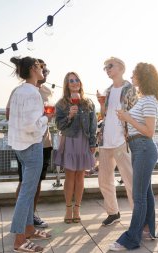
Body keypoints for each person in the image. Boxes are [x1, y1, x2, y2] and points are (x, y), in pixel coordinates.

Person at [110, 62, 158, 251]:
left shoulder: (149, 100)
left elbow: (149, 131)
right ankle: (147, 230)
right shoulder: (143, 99)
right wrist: (126, 123)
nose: (132, 76)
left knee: (138, 196)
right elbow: (138, 127)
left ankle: (131, 239)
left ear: (142, 77)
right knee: (145, 193)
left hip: (144, 149)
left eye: (134, 73)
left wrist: (128, 118)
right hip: (138, 147)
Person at [8, 56, 53, 253]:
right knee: (26, 195)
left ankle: (28, 229)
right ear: (33, 69)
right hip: (32, 146)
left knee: (27, 192)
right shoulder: (33, 93)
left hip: (19, 146)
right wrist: (46, 118)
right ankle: (19, 240)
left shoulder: (19, 91)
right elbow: (30, 126)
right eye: (40, 66)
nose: (43, 68)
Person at [96, 57, 138, 226]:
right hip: (106, 142)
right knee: (104, 180)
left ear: (121, 67)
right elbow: (104, 116)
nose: (107, 69)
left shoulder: (130, 89)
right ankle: (113, 212)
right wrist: (101, 104)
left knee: (130, 181)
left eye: (110, 66)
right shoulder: (107, 90)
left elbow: (135, 113)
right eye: (105, 67)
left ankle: (138, 214)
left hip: (122, 141)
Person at [54, 72, 97, 224]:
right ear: (66, 84)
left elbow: (93, 125)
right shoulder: (61, 104)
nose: (74, 82)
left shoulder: (88, 103)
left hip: (84, 141)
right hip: (70, 141)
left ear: (80, 82)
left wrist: (93, 143)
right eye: (71, 80)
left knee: (80, 176)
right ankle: (67, 209)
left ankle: (77, 209)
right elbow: (58, 125)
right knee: (70, 176)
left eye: (76, 79)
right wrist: (69, 116)